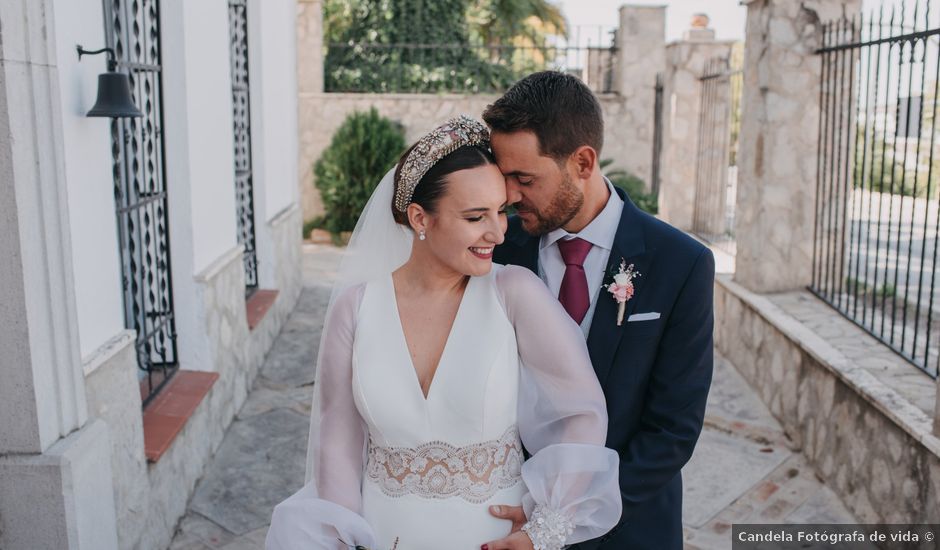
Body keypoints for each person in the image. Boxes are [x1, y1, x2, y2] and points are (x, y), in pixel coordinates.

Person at [265, 116, 621, 550]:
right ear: (420, 217)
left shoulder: (515, 293)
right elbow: (337, 440)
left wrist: (544, 528)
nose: (497, 231)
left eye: (500, 212)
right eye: (476, 217)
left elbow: (581, 413)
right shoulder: (354, 309)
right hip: (384, 536)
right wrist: (346, 539)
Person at [485, 72, 715, 550]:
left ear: (583, 162)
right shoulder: (496, 250)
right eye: (503, 176)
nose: (508, 195)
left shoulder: (682, 263)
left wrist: (562, 518)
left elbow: (673, 429)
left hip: (629, 528)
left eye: (524, 179)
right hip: (507, 518)